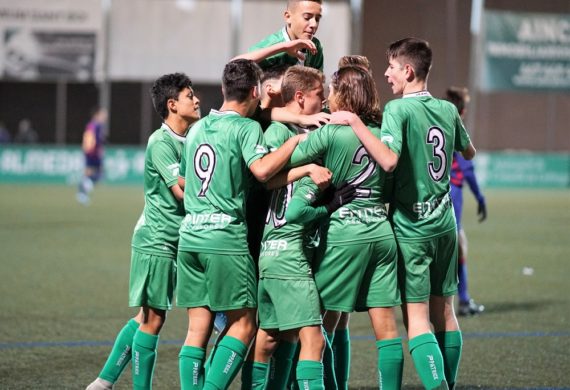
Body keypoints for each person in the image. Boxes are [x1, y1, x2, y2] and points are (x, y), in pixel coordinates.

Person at [334, 38, 476, 389]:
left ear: (408, 71)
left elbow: (390, 159)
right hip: (445, 223)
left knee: (417, 318)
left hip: (413, 228)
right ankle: (449, 383)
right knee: (445, 311)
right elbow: (469, 151)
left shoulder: (398, 111)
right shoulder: (446, 109)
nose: (386, 73)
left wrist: (354, 122)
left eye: (392, 67)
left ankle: (438, 386)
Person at [176, 59, 309, 390]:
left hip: (190, 237)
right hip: (225, 240)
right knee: (245, 325)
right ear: (254, 91)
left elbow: (182, 179)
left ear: (223, 89)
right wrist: (294, 142)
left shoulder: (196, 129)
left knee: (197, 329)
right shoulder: (246, 129)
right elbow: (263, 172)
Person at [289, 65, 404, 390]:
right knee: (387, 329)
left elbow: (290, 155)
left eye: (332, 89)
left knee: (315, 325)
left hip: (343, 233)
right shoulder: (383, 134)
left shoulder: (331, 132)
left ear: (341, 93)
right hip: (381, 234)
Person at [85, 73, 201, 390]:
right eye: (190, 95)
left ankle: (103, 382)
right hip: (157, 241)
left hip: (179, 241)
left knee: (144, 318)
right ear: (172, 104)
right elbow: (180, 189)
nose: (197, 99)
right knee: (153, 320)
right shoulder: (160, 142)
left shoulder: (193, 138)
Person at [243, 65, 352, 390]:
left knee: (272, 336)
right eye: (320, 96)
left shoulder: (292, 129)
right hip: (287, 249)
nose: (325, 103)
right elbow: (263, 180)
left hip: (279, 249)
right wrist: (307, 170)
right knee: (313, 340)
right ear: (301, 97)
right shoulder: (279, 133)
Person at [445, 87, 487, 316]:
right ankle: (462, 301)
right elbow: (467, 168)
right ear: (461, 110)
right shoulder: (456, 128)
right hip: (453, 192)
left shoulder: (434, 122)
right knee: (459, 246)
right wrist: (480, 198)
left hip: (431, 192)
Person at [235, 0, 324, 72]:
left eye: (317, 19)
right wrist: (284, 47)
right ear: (288, 17)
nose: (314, 24)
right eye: (307, 17)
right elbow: (234, 65)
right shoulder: (273, 44)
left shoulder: (315, 46)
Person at [76, 108, 107, 205]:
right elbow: (95, 140)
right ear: (97, 115)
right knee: (99, 174)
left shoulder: (90, 125)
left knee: (90, 174)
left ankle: (82, 193)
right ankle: (83, 190)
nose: (105, 117)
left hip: (89, 152)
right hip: (93, 153)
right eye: (103, 114)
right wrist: (99, 150)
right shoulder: (96, 126)